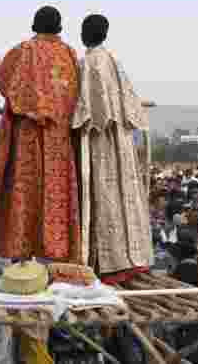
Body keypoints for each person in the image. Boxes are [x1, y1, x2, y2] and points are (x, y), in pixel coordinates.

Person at [0, 5, 81, 262]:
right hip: (59, 137)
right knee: (56, 190)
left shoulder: (25, 50)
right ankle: (56, 252)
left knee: (25, 189)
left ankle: (22, 253)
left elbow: (4, 79)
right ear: (59, 28)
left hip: (28, 135)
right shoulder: (69, 54)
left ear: (35, 25)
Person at [71, 14, 152, 284]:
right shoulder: (115, 62)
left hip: (100, 139)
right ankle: (131, 256)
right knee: (123, 195)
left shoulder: (88, 63)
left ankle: (109, 261)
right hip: (121, 139)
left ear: (85, 34)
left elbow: (84, 109)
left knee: (103, 195)